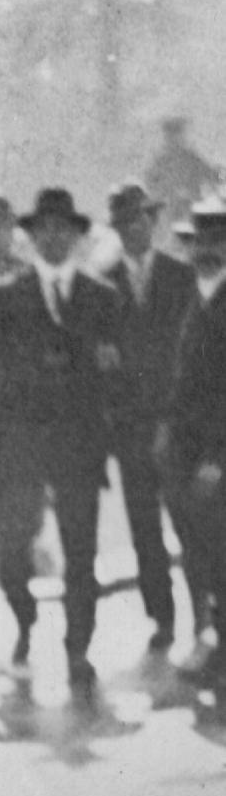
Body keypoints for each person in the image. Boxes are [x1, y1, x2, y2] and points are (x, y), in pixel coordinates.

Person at [0, 186, 127, 694]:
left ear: (79, 237)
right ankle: (25, 622)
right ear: (29, 238)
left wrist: (112, 374)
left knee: (80, 553)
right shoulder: (5, 297)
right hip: (20, 443)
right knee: (13, 551)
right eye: (43, 230)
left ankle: (78, 649)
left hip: (79, 443)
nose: (53, 238)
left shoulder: (103, 298)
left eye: (64, 229)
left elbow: (124, 374)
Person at [98, 181, 200, 654]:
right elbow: (96, 357)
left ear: (153, 222)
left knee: (191, 523)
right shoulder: (103, 284)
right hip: (131, 429)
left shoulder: (183, 276)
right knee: (144, 529)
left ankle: (205, 615)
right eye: (122, 223)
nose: (131, 230)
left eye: (138, 219)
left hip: (178, 427)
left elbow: (197, 357)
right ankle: (162, 618)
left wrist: (178, 421)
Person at [167, 200, 226, 671]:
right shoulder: (190, 298)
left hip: (216, 454)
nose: (207, 250)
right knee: (196, 548)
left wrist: (216, 456)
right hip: (183, 451)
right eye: (199, 242)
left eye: (218, 241)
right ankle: (207, 638)